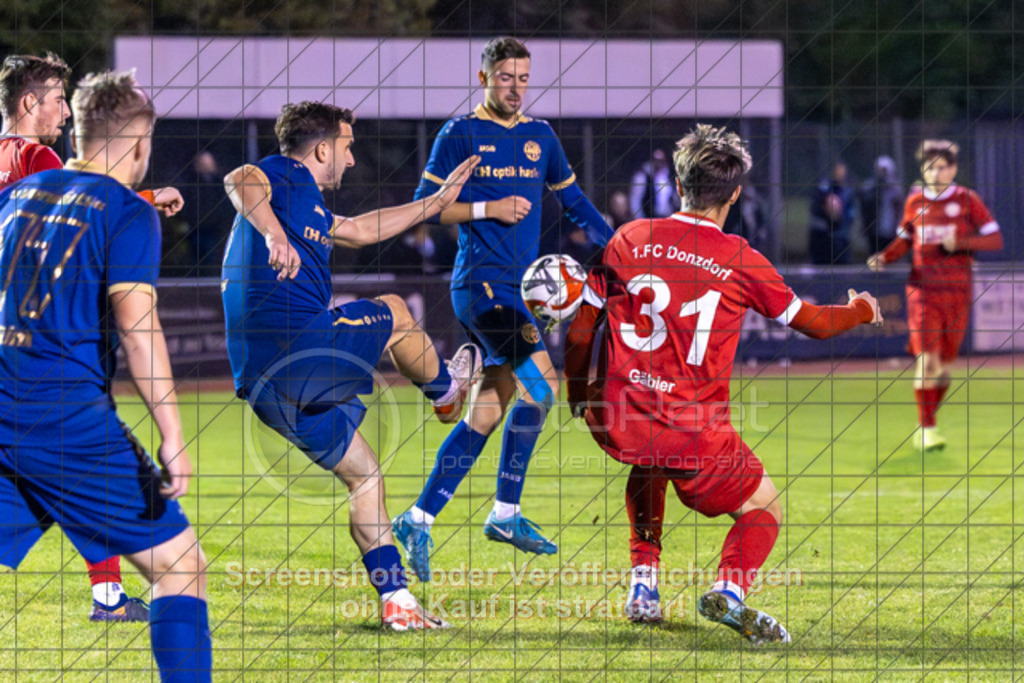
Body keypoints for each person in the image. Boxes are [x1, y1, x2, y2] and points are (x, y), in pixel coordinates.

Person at [564, 124, 882, 644]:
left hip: (620, 416)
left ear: (677, 181)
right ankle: (729, 592)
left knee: (650, 457)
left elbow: (582, 328)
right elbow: (815, 324)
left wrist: (580, 395)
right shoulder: (740, 259)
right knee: (764, 506)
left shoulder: (629, 238)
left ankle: (643, 582)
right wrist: (860, 309)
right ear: (735, 193)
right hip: (693, 431)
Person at [221, 101, 480, 630]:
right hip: (296, 349)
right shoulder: (283, 176)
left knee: (366, 476)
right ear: (321, 149)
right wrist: (271, 233)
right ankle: (447, 392)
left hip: (264, 386)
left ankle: (399, 605)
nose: (353, 159)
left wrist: (433, 204)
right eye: (347, 145)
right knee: (395, 311)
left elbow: (361, 230)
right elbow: (239, 178)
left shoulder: (307, 205)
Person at [0, 70, 210, 679]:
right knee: (181, 565)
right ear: (140, 144)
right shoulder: (127, 212)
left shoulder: (18, 196)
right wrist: (171, 435)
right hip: (62, 420)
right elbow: (139, 329)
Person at [392, 36, 614, 578]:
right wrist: (489, 206)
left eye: (523, 78)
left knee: (487, 413)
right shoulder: (460, 133)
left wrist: (620, 246)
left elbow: (576, 202)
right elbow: (426, 209)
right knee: (544, 388)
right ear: (483, 77)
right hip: (482, 286)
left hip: (521, 294)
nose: (515, 88)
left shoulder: (541, 137)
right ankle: (505, 512)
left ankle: (418, 518)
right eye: (505, 77)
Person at [868, 139, 1002, 451]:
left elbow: (995, 239)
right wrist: (886, 257)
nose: (936, 172)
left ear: (953, 169)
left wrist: (963, 244)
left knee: (943, 369)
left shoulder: (968, 200)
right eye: (930, 166)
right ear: (922, 169)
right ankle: (927, 428)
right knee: (926, 362)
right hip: (922, 292)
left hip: (956, 293)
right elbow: (904, 239)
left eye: (942, 166)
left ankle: (927, 421)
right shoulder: (914, 202)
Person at [808, 160, 856, 264]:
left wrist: (842, 219)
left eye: (842, 172)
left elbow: (851, 213)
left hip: (840, 237)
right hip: (823, 238)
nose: (840, 174)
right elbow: (815, 209)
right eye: (838, 171)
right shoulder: (823, 190)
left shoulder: (847, 191)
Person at [858, 155, 903, 253]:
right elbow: (865, 203)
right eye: (881, 170)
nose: (883, 174)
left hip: (891, 230)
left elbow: (899, 208)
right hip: (875, 231)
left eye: (885, 170)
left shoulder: (895, 189)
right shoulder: (870, 187)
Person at [629, 148, 678, 219]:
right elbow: (635, 201)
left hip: (668, 217)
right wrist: (640, 220)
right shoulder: (643, 176)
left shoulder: (669, 176)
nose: (658, 164)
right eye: (656, 160)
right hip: (650, 218)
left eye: (661, 161)